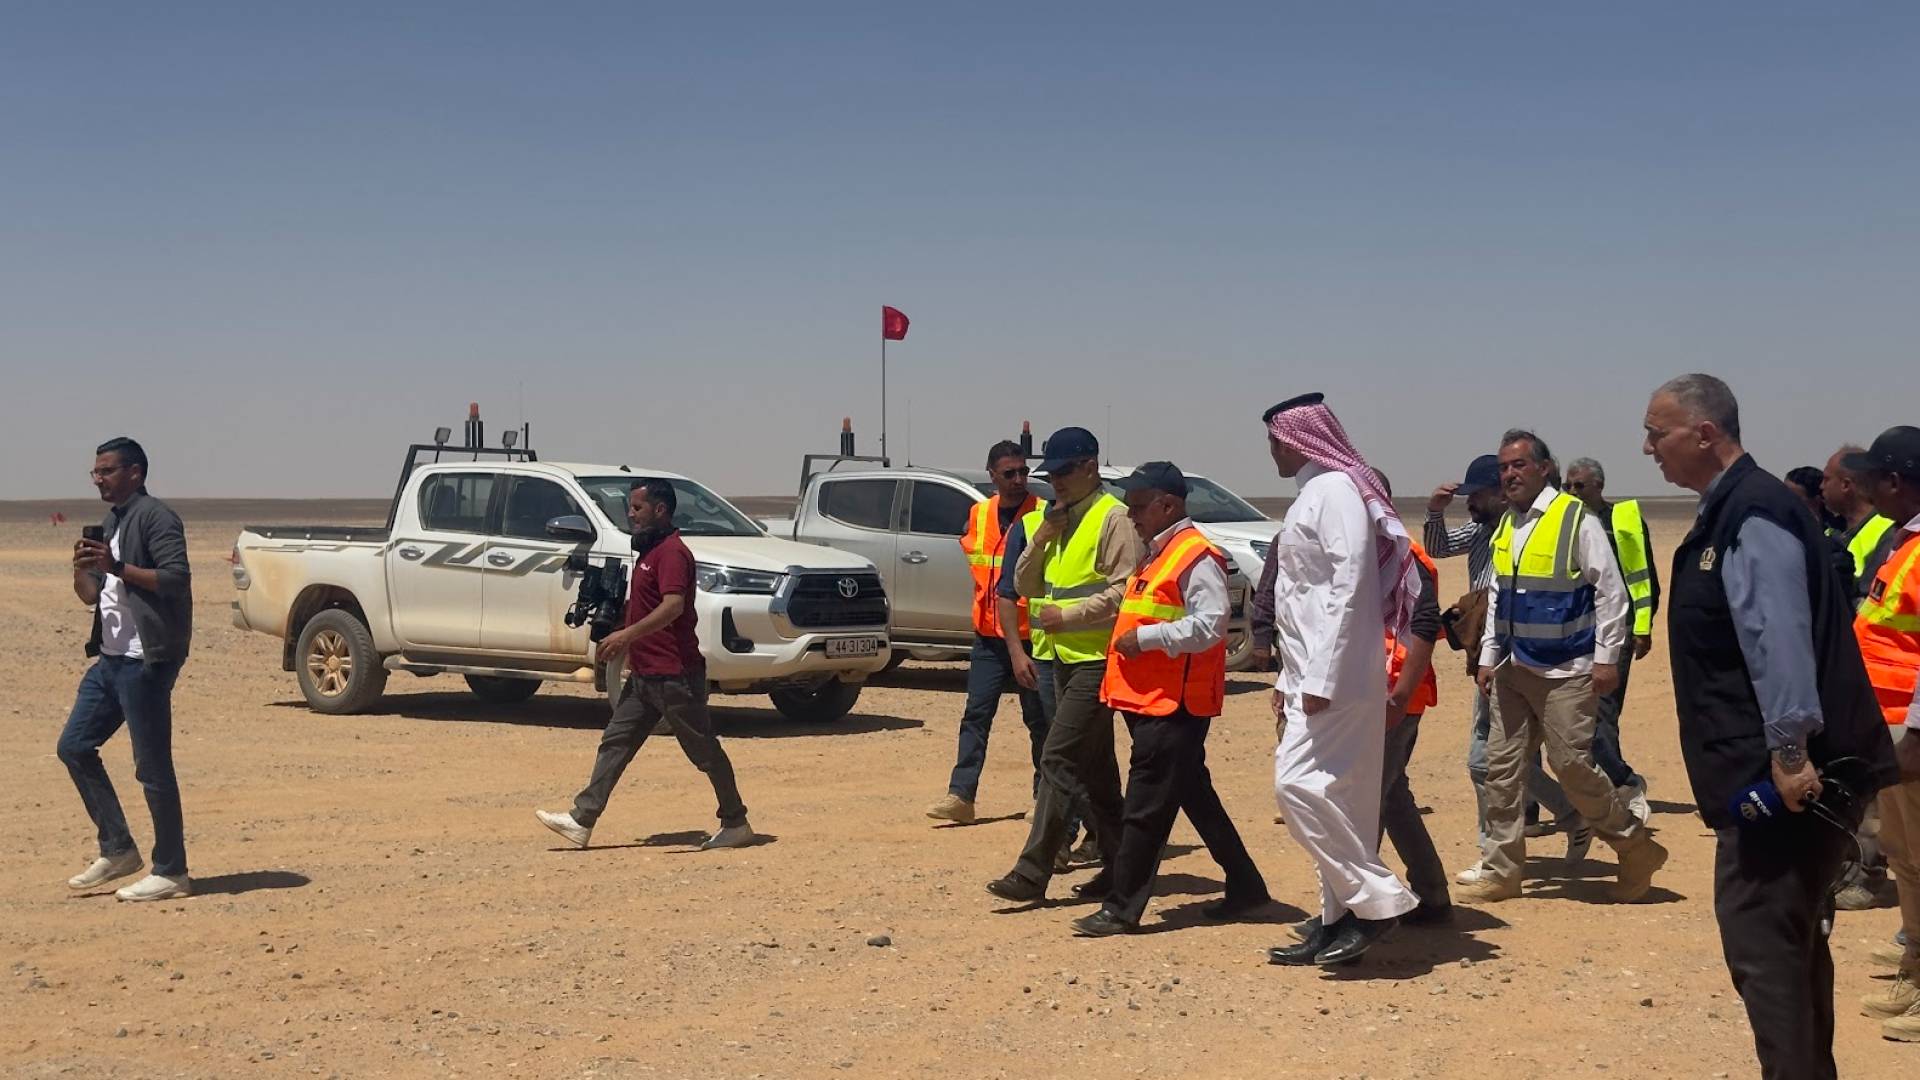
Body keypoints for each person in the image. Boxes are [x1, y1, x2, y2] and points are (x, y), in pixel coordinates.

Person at [1646, 374, 1897, 1078]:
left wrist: (1788, 753)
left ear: (1703, 433)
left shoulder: (1752, 513)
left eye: (1656, 432)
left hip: (1787, 784)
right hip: (1772, 780)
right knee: (1789, 945)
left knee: (1765, 948)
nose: (1647, 448)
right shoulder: (1732, 509)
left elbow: (1776, 637)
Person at [1456, 430, 1668, 905]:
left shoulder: (1575, 519)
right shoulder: (1507, 526)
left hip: (1568, 669)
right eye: (1504, 467)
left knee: (1571, 766)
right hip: (1514, 668)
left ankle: (1634, 846)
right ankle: (1503, 870)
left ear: (1544, 468)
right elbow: (1499, 600)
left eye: (1518, 465)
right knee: (1501, 769)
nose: (1509, 474)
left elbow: (1611, 591)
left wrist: (1606, 658)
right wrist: (1489, 656)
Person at [1069, 463, 1270, 935]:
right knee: (1194, 796)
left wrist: (1146, 640)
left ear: (1168, 505)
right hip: (1152, 700)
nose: (1132, 515)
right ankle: (1247, 886)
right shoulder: (1159, 552)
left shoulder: (1195, 554)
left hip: (1174, 705)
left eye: (1139, 506)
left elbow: (1210, 626)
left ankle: (1122, 906)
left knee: (1145, 807)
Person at [1262, 393, 1421, 968]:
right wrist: (1287, 675)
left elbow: (1350, 582)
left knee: (1296, 787)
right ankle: (1336, 922)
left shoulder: (1334, 492)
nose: (1272, 451)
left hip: (1337, 677)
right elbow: (1296, 601)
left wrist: (1322, 674)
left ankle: (1380, 902)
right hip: (1311, 674)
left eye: (1276, 439)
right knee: (1343, 802)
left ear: (1297, 437)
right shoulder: (1314, 494)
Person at [537, 479, 754, 851]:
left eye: (638, 508)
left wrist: (627, 637)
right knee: (616, 742)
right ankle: (582, 819)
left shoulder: (673, 554)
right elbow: (647, 606)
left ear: (660, 510)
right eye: (631, 508)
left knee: (703, 751)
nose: (631, 515)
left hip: (676, 675)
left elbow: (672, 607)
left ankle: (736, 822)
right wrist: (618, 625)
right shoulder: (648, 554)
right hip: (645, 676)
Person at [986, 427, 1140, 903]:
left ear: (1091, 466)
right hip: (1055, 658)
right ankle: (1123, 868)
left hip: (1095, 658)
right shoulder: (1050, 519)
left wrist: (1070, 615)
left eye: (1065, 472)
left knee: (1056, 756)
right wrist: (1047, 532)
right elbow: (1022, 583)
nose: (1056, 482)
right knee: (1094, 770)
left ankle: (1034, 870)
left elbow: (1125, 589)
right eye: (1050, 474)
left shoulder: (1113, 518)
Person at [1426, 453, 1588, 873]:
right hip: (1490, 651)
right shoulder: (1481, 531)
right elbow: (1437, 547)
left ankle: (1497, 851)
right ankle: (1566, 815)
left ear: (1499, 493)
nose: (1470, 503)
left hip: (1525, 651)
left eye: (1475, 495)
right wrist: (1433, 513)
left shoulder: (1525, 530)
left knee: (1489, 758)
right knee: (1500, 755)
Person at [60, 437, 195, 902]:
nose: (98, 478)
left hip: (146, 660)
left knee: (152, 766)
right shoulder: (110, 522)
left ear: (134, 472)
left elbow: (175, 578)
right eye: (95, 472)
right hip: (110, 660)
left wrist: (116, 566)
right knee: (74, 746)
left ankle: (172, 871)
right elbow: (91, 595)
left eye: (107, 471)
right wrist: (83, 568)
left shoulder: (157, 517)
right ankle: (118, 848)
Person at [1844, 427, 1920, 1040]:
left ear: (1896, 482)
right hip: (1888, 725)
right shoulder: (1904, 542)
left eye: (1874, 476)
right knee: (1904, 853)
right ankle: (1915, 962)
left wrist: (1916, 734)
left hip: (1912, 734)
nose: (1865, 486)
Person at [927, 441, 1045, 824]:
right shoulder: (978, 514)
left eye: (1023, 472)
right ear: (991, 475)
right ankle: (961, 796)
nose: (1018, 480)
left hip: (1031, 636)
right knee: (976, 715)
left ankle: (1045, 798)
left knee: (1040, 720)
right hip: (987, 636)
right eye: (1009, 473)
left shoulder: (1042, 515)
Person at [1373, 470, 1453, 924]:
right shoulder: (1375, 554)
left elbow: (1424, 627)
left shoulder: (1407, 557)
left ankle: (1362, 910)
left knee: (1368, 801)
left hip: (1397, 695)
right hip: (1381, 693)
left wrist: (1398, 697)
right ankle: (1432, 893)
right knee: (1391, 793)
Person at [1564, 456, 1656, 820]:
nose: (1572, 492)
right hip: (1576, 630)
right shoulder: (1566, 522)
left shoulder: (1622, 520)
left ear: (1599, 486)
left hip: (1616, 628)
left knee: (1604, 711)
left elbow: (1643, 576)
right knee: (1582, 712)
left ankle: (1621, 784)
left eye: (1579, 486)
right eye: (1568, 486)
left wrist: (1642, 628)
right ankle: (1606, 785)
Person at [1824, 445, 1897, 600]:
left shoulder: (1888, 531)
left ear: (1846, 485)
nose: (1821, 486)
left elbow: (1871, 600)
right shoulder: (1830, 531)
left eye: (1826, 479)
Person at [1786, 465, 1842, 533]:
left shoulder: (1837, 532)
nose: (1786, 501)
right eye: (1784, 494)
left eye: (1795, 499)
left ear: (1817, 500)